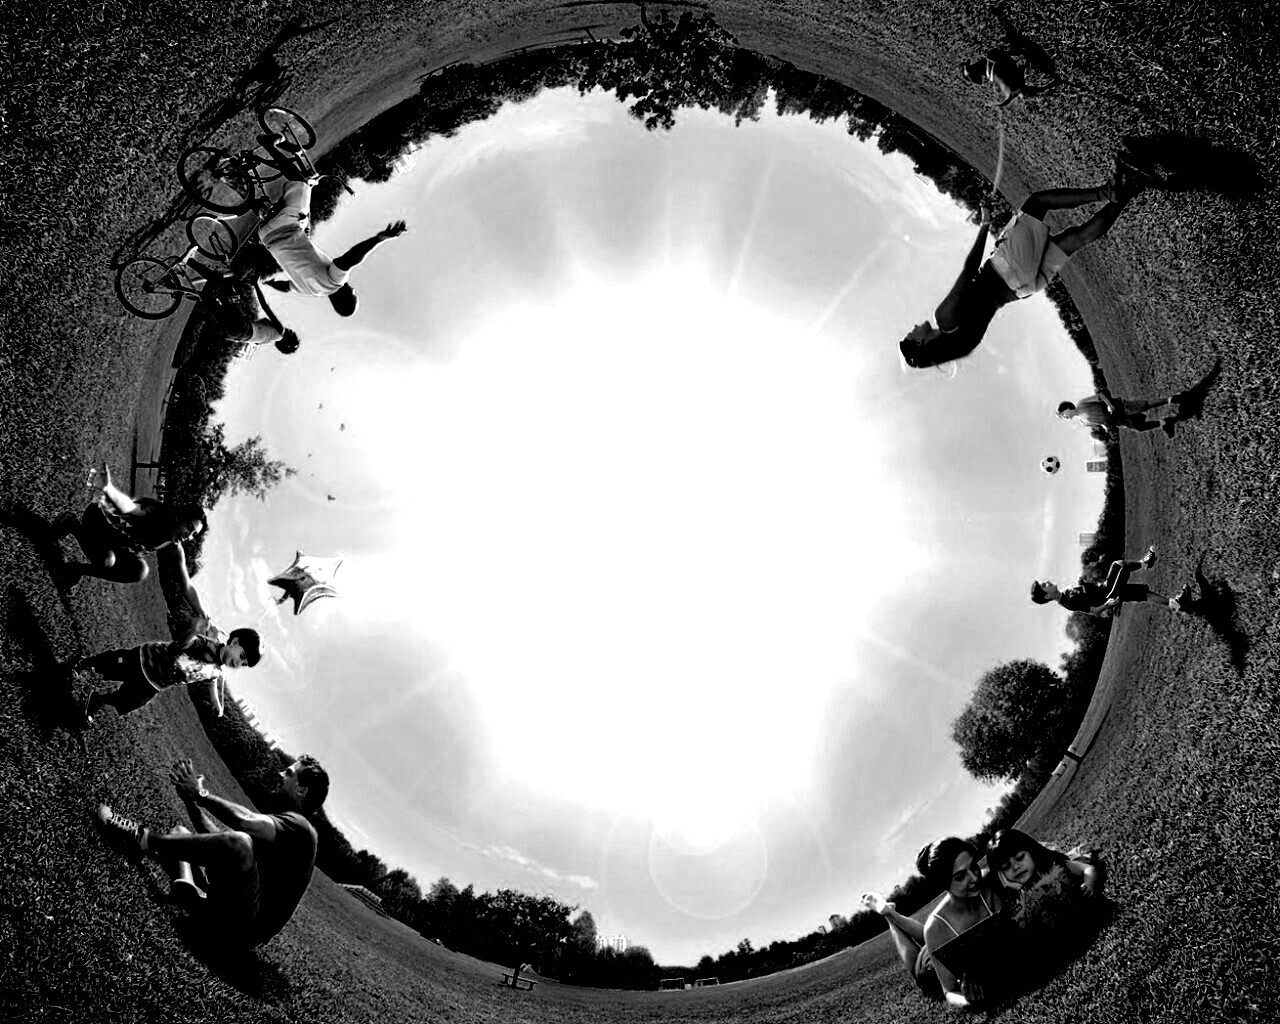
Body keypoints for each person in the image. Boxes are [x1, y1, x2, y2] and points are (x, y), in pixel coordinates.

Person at [899, 154, 1157, 371]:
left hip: (1021, 290)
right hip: (1007, 267)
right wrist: (985, 224)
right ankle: (1108, 191)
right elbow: (969, 270)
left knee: (1074, 238)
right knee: (1037, 203)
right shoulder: (943, 319)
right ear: (920, 343)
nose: (912, 329)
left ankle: (1130, 189)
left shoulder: (961, 346)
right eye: (911, 335)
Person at [96, 755, 329, 949]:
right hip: (229, 910)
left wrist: (200, 794)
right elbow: (219, 842)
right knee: (180, 832)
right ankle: (188, 889)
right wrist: (190, 801)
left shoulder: (300, 828)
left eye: (288, 773)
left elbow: (244, 823)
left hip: (244, 930)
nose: (280, 774)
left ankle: (141, 837)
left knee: (240, 842)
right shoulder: (286, 828)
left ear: (301, 790)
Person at [254, 139, 406, 318]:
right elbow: (286, 287)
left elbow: (349, 259)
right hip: (266, 237)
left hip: (285, 228)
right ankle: (239, 183)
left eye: (353, 294)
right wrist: (271, 284)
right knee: (304, 221)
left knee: (300, 181)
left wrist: (380, 238)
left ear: (343, 298)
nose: (353, 289)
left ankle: (268, 144)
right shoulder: (310, 291)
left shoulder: (335, 282)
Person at [860, 837, 1006, 1011]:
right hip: (930, 968)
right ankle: (888, 915)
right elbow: (949, 991)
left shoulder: (989, 880)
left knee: (932, 938)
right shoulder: (936, 927)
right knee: (919, 962)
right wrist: (968, 1000)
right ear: (944, 883)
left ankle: (891, 913)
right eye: (960, 877)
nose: (974, 878)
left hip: (946, 940)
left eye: (973, 866)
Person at [71, 621, 260, 724]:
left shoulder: (218, 671)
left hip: (156, 683)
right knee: (112, 663)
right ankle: (82, 664)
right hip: (146, 659)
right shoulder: (207, 645)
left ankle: (97, 700)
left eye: (243, 664)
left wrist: (217, 704)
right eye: (242, 655)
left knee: (128, 700)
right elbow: (182, 644)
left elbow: (213, 684)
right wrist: (194, 630)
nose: (239, 663)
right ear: (234, 642)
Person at [50, 464, 206, 588]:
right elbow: (130, 507)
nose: (189, 536)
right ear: (180, 518)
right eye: (189, 527)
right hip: (100, 519)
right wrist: (108, 489)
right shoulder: (157, 513)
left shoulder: (174, 544)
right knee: (107, 560)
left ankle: (76, 569)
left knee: (140, 570)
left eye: (193, 534)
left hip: (115, 542)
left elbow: (187, 585)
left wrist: (203, 615)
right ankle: (72, 524)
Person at [1031, 546, 1194, 616]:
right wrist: (1108, 604)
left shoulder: (1066, 592)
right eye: (1044, 586)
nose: (1047, 582)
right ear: (1047, 596)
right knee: (1119, 566)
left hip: (1106, 589)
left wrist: (1085, 583)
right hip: (1108, 595)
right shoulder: (1067, 603)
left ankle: (1177, 604)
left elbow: (1088, 592)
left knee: (1144, 594)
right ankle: (1146, 563)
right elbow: (1094, 610)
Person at [987, 829, 1102, 899]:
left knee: (1081, 858)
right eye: (1005, 867)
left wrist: (1089, 884)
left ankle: (1078, 851)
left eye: (1020, 858)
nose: (1016, 867)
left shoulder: (1054, 865)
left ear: (1032, 852)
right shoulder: (1013, 895)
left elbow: (1088, 869)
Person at [1057, 392, 1175, 434]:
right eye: (1062, 417)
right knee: (1139, 427)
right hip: (1118, 421)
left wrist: (1109, 405)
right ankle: (1164, 422)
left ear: (1067, 408)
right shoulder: (1083, 422)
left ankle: (1171, 400)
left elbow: (1100, 395)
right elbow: (1101, 424)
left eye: (1063, 415)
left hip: (1118, 408)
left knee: (1145, 406)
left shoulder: (1082, 403)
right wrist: (1106, 428)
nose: (1065, 417)